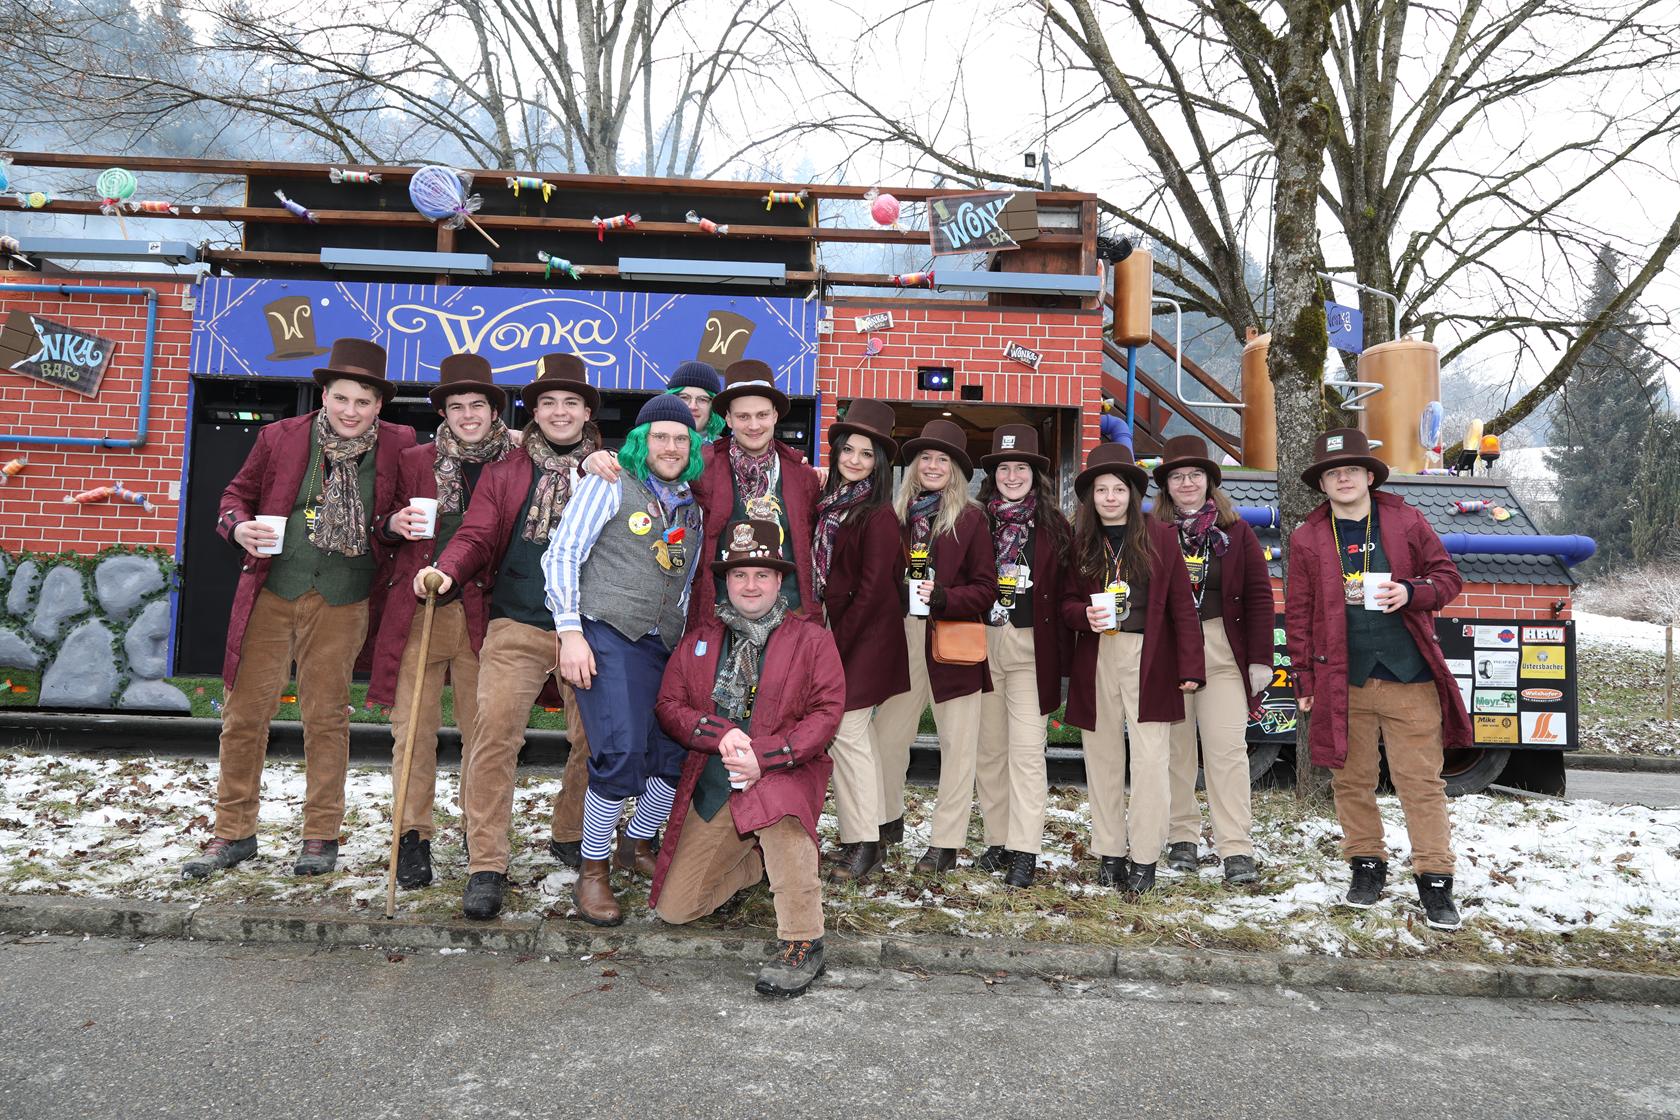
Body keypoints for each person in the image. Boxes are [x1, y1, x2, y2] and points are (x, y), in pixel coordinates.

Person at [184, 338, 415, 880]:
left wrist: (391, 525)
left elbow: (398, 515)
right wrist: (239, 527)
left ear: (379, 405)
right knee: (244, 715)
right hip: (272, 591)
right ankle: (233, 832)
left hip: (344, 597)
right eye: (342, 398)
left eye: (363, 401)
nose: (351, 411)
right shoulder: (281, 436)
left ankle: (321, 834)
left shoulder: (401, 444)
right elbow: (234, 497)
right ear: (325, 395)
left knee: (326, 718)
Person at [416, 353, 602, 919]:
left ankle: (571, 831)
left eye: (571, 402)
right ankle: (486, 863)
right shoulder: (506, 472)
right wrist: (447, 569)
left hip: (588, 628)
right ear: (534, 412)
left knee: (594, 739)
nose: (560, 412)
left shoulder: (612, 471)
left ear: (587, 412)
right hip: (517, 621)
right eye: (548, 403)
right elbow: (476, 533)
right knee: (494, 735)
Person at [1285, 428, 1471, 929]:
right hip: (1342, 681)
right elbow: (1298, 614)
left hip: (1411, 677)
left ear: (1369, 476)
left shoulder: (1405, 519)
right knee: (1351, 781)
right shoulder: (1307, 538)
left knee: (1421, 783)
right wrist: (1304, 680)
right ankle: (1366, 866)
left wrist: (1412, 592)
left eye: (1351, 469)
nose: (1343, 478)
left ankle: (1435, 880)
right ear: (1322, 484)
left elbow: (1448, 578)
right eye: (1332, 473)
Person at [651, 518, 845, 998]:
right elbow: (669, 706)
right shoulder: (701, 640)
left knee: (780, 817)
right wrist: (719, 733)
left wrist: (768, 756)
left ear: (779, 581)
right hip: (719, 783)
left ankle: (803, 941)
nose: (750, 585)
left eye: (761, 574)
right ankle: (759, 866)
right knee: (676, 909)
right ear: (727, 581)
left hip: (785, 770)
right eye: (740, 574)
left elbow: (826, 712)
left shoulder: (812, 639)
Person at [543, 394, 706, 926]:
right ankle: (592, 870)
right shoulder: (608, 483)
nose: (671, 447)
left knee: (672, 751)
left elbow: (683, 582)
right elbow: (563, 554)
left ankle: (635, 844)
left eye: (681, 439)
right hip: (607, 632)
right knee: (620, 751)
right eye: (660, 437)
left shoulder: (691, 506)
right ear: (641, 441)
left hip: (664, 643)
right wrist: (570, 632)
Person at [369, 354, 514, 888]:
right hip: (421, 613)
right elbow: (378, 524)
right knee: (412, 732)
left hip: (485, 616)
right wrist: (392, 523)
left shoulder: (517, 462)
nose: (468, 415)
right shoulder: (414, 460)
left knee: (484, 736)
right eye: (457, 406)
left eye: (478, 405)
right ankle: (412, 836)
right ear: (444, 413)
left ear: (494, 411)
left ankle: (481, 838)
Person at [1061, 443, 1203, 895]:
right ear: (1091, 496)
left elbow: (1183, 606)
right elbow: (1065, 602)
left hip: (1150, 656)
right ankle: (1109, 852)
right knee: (1102, 757)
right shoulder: (1080, 540)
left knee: (1151, 761)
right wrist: (1081, 614)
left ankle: (1144, 858)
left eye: (1118, 489)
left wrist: (1191, 665)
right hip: (1097, 655)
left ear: (1133, 494)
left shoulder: (1160, 536)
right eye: (1101, 489)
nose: (1110, 497)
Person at [869, 418, 998, 875]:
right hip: (903, 635)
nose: (933, 465)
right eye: (925, 457)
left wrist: (944, 597)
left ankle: (946, 842)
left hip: (954, 639)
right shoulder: (895, 517)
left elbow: (987, 589)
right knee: (886, 737)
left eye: (943, 459)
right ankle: (886, 820)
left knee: (957, 746)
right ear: (914, 466)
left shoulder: (971, 519)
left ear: (956, 470)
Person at [1151, 435, 1275, 886]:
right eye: (1177, 477)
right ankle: (1181, 836)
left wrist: (1260, 658)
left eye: (1195, 475)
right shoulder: (1151, 533)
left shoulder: (1237, 533)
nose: (1186, 483)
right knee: (1175, 752)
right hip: (1167, 654)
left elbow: (1260, 597)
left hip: (1222, 651)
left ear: (1209, 482)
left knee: (1227, 752)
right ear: (1166, 486)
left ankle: (1236, 847)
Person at [972, 425, 1072, 889]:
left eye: (1021, 468)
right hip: (982, 644)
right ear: (992, 475)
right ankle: (998, 839)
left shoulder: (1055, 527)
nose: (1012, 476)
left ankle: (1025, 848)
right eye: (1004, 468)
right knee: (989, 750)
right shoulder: (975, 521)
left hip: (1033, 647)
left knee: (1028, 752)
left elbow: (1069, 592)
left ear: (1036, 474)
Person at [810, 399, 905, 885]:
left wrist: (837, 647)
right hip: (836, 629)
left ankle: (864, 842)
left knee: (846, 735)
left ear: (879, 463)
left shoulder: (879, 515)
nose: (854, 460)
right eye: (848, 450)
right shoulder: (830, 505)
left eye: (866, 454)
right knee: (857, 739)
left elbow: (872, 592)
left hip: (865, 638)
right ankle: (873, 831)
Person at [689, 360, 822, 623]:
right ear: (728, 419)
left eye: (762, 415)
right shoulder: (702, 467)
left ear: (775, 416)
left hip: (788, 613)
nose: (753, 425)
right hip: (722, 613)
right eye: (743, 416)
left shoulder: (803, 476)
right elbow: (654, 466)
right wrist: (604, 458)